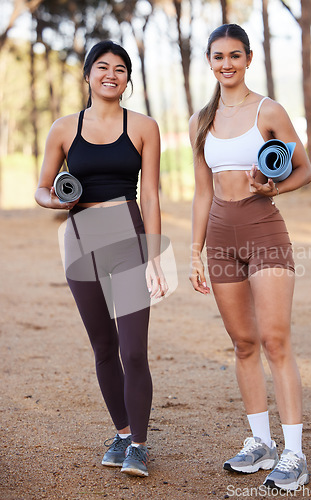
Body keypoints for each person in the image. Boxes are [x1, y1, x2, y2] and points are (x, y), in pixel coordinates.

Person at [189, 24, 311, 491]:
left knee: (275, 341)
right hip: (220, 237)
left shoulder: (269, 110)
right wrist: (195, 252)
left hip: (264, 230)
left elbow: (305, 170)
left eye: (235, 55)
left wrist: (273, 187)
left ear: (248, 58)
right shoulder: (201, 120)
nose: (227, 64)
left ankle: (294, 453)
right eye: (218, 56)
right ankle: (260, 442)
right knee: (243, 343)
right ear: (209, 61)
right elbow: (203, 193)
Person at [35, 40, 167, 478]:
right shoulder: (62, 128)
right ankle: (125, 432)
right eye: (103, 66)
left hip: (127, 232)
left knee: (133, 348)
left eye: (121, 69)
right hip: (79, 236)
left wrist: (153, 254)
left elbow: (149, 193)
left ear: (128, 79)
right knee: (103, 346)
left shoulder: (145, 126)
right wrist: (52, 201)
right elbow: (41, 187)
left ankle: (140, 447)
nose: (112, 74)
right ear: (88, 74)